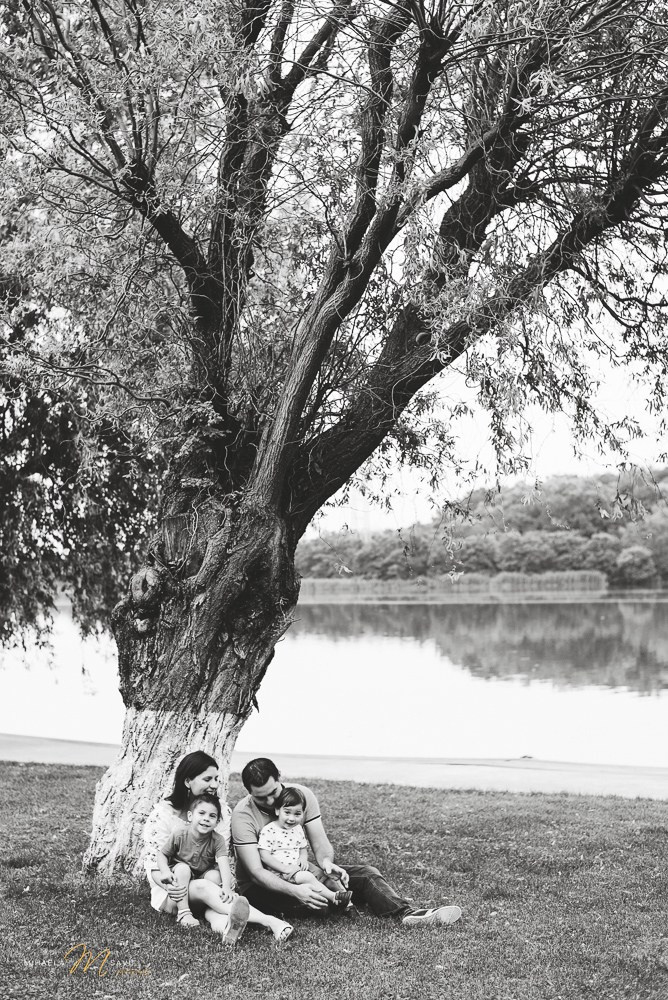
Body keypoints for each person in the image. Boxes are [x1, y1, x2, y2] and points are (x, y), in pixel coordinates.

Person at [231, 757, 462, 927]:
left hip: (305, 873)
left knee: (367, 874)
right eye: (261, 797)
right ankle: (339, 902)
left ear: (279, 777)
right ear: (249, 792)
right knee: (316, 904)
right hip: (263, 888)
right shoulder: (243, 815)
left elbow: (319, 844)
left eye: (273, 792)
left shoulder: (300, 796)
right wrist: (295, 891)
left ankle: (408, 914)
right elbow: (255, 873)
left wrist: (327, 864)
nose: (271, 801)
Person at [143, 751, 293, 943]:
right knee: (195, 878)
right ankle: (269, 921)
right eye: (207, 779)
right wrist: (170, 886)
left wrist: (226, 884)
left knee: (212, 890)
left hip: (209, 885)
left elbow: (222, 857)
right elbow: (154, 866)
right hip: (173, 893)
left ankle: (226, 928)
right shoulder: (163, 815)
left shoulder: (220, 812)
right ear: (188, 781)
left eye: (216, 778)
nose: (214, 785)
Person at [258, 787, 353, 908]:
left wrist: (303, 858)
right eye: (287, 812)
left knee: (325, 876)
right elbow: (264, 856)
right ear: (277, 810)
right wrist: (284, 868)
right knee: (307, 877)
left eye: (297, 814)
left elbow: (302, 848)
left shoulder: (297, 829)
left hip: (297, 868)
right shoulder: (269, 830)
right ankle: (333, 897)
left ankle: (348, 904)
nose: (292, 818)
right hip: (280, 872)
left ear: (303, 813)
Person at [157, 795, 235, 930]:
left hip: (201, 880)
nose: (206, 818)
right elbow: (162, 854)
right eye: (201, 813)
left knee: (215, 876)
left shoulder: (217, 840)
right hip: (182, 882)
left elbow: (224, 864)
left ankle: (218, 909)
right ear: (190, 816)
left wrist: (227, 887)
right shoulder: (179, 834)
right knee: (183, 869)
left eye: (212, 816)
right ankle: (184, 913)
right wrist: (165, 871)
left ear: (217, 822)